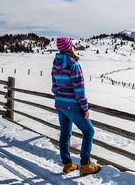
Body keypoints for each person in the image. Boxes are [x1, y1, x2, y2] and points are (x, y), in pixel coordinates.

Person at [51, 37, 101, 175]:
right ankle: (85, 165)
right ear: (69, 48)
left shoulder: (56, 63)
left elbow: (54, 86)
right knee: (89, 132)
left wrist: (60, 97)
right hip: (72, 106)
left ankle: (67, 164)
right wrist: (85, 108)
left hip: (60, 105)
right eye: (72, 46)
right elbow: (79, 91)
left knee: (65, 133)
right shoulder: (74, 65)